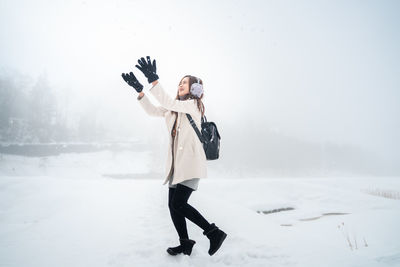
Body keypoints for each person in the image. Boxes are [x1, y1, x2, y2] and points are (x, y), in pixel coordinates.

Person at [121, 56, 227, 256]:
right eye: (179, 82)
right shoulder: (173, 108)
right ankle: (185, 242)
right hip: (177, 165)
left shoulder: (193, 105)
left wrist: (153, 80)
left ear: (194, 88)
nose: (180, 85)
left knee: (179, 203)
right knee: (172, 205)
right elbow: (153, 110)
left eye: (185, 83)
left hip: (190, 163)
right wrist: (140, 91)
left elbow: (167, 100)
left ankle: (214, 232)